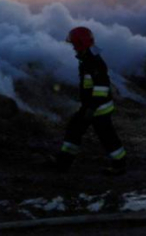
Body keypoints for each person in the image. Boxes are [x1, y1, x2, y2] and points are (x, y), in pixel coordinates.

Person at [54, 26, 127, 175]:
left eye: (74, 44)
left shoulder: (94, 62)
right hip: (91, 106)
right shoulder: (87, 58)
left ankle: (120, 165)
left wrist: (91, 109)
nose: (73, 47)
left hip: (99, 108)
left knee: (107, 136)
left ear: (81, 43)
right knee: (74, 129)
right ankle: (63, 163)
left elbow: (101, 88)